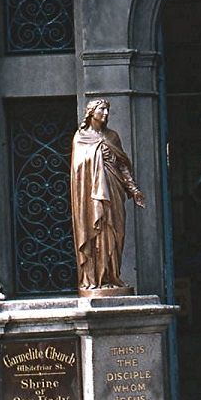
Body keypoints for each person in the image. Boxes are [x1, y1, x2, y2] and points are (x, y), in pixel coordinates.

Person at [71, 99, 146, 292]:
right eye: (102, 109)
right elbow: (78, 170)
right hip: (92, 197)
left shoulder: (113, 136)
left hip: (114, 190)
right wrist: (96, 155)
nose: (106, 113)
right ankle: (96, 278)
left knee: (116, 232)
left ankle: (114, 275)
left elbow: (122, 166)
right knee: (98, 233)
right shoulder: (80, 137)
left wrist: (134, 190)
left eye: (107, 110)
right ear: (91, 112)